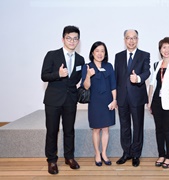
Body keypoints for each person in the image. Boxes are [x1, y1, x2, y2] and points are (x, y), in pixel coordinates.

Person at [41, 25, 85, 174]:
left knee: (69, 130)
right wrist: (58, 74)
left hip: (70, 100)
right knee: (52, 131)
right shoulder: (52, 55)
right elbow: (44, 75)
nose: (72, 41)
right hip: (53, 100)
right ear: (63, 39)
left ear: (78, 41)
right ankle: (52, 160)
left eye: (75, 38)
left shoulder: (80, 59)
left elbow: (77, 79)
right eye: (69, 38)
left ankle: (69, 157)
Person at [114, 29, 150, 167]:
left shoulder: (144, 55)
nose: (131, 40)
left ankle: (136, 154)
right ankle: (126, 152)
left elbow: (147, 72)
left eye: (134, 38)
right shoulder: (118, 56)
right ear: (124, 40)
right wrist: (115, 97)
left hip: (137, 97)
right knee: (124, 126)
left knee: (137, 126)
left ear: (138, 39)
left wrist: (138, 78)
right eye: (128, 38)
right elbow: (116, 77)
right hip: (122, 97)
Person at [147, 37, 169, 168]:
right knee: (159, 130)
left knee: (168, 130)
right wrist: (149, 101)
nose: (166, 50)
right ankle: (161, 154)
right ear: (160, 50)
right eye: (164, 47)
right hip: (156, 101)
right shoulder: (157, 65)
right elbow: (152, 84)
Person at [81, 41, 117, 167]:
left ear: (105, 53)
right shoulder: (87, 67)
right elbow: (85, 87)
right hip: (95, 102)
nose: (100, 53)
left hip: (108, 101)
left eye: (102, 51)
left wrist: (114, 100)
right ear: (92, 53)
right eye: (97, 51)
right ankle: (97, 154)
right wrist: (88, 76)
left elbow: (113, 85)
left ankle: (104, 153)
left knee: (106, 129)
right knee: (96, 129)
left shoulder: (109, 66)